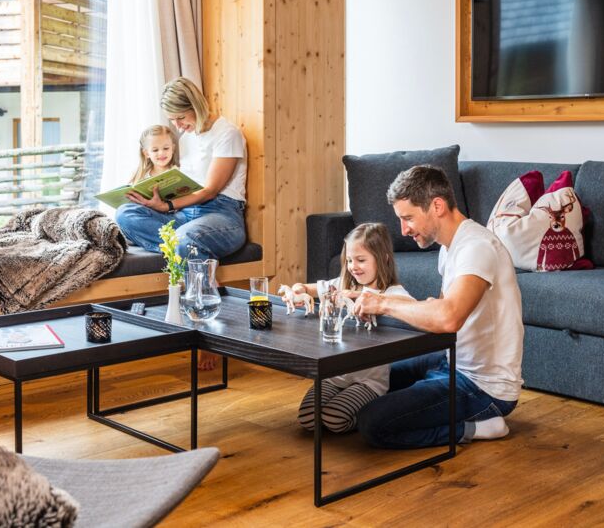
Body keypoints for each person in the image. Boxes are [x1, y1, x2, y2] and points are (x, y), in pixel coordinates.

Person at [350, 164, 524, 448]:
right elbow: (439, 311)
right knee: (372, 375)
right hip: (450, 360)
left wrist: (383, 303)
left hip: (483, 387)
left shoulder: (476, 247)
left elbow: (448, 318)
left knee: (372, 423)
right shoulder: (448, 248)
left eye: (408, 218)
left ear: (437, 206)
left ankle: (476, 427)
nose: (403, 230)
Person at [116, 76, 248, 370]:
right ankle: (189, 258)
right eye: (172, 120)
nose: (178, 126)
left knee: (188, 239)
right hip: (186, 215)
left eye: (180, 118)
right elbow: (186, 188)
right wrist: (156, 197)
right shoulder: (188, 139)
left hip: (222, 215)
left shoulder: (227, 134)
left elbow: (211, 190)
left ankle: (206, 333)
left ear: (196, 107)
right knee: (126, 213)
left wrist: (168, 205)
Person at [280, 223, 413, 433]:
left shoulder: (393, 292)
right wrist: (297, 291)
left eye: (361, 260)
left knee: (334, 419)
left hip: (369, 381)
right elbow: (305, 287)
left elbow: (411, 307)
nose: (353, 266)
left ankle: (370, 413)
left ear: (383, 258)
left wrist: (363, 297)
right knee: (307, 420)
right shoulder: (342, 283)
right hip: (335, 375)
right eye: (350, 260)